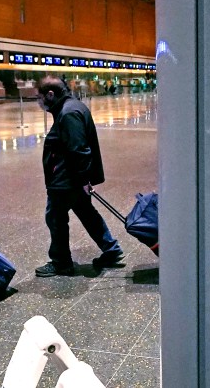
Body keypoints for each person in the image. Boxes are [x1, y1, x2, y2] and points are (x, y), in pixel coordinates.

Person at [35, 76, 125, 277]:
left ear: (50, 94)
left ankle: (61, 262)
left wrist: (84, 179)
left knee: (56, 219)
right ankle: (111, 250)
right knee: (87, 213)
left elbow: (79, 149)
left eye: (39, 97)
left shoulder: (68, 113)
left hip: (67, 180)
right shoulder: (72, 107)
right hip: (74, 178)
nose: (38, 102)